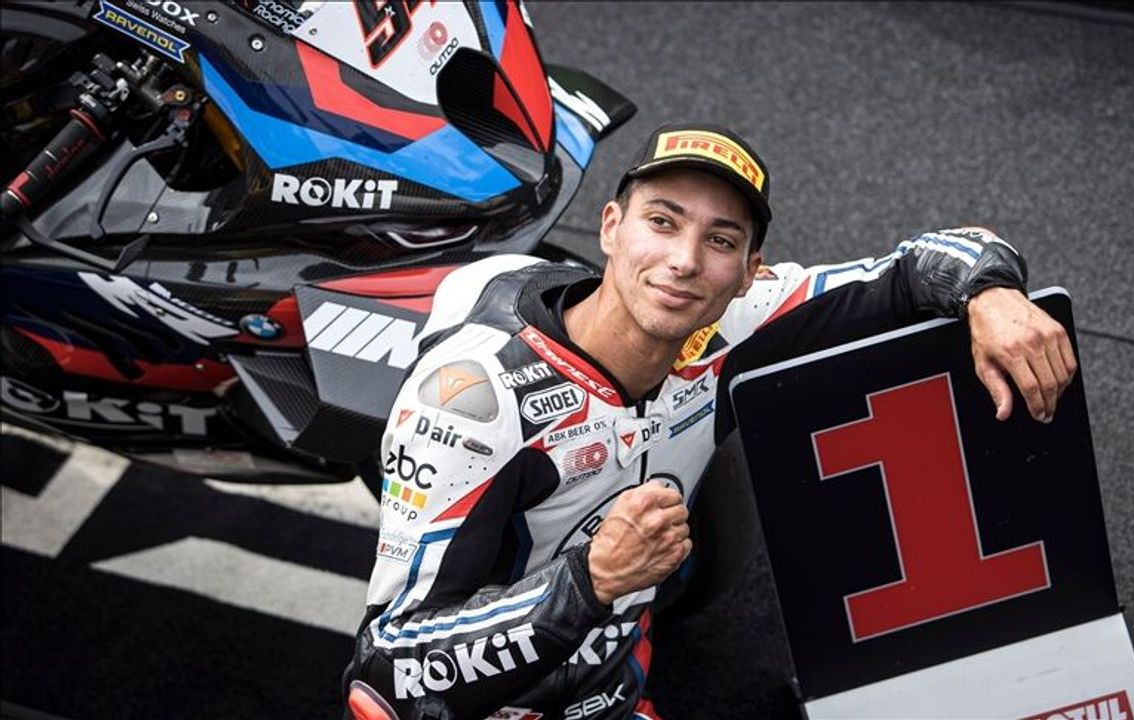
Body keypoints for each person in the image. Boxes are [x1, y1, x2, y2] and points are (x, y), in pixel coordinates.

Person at [342, 123, 1077, 720]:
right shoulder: (471, 404)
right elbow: (386, 675)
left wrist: (991, 292)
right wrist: (589, 582)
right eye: (662, 223)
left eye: (721, 241)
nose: (684, 261)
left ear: (750, 271)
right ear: (610, 227)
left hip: (613, 698)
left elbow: (925, 262)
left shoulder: (732, 325)